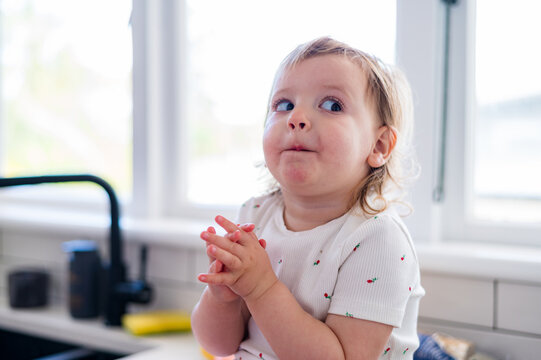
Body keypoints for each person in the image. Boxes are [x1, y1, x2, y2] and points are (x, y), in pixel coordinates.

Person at [191, 37, 424, 360]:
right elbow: (218, 347)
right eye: (284, 104)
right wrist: (222, 298)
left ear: (379, 146)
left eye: (332, 105)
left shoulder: (376, 239)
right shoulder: (255, 214)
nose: (296, 117)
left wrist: (261, 289)